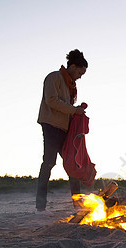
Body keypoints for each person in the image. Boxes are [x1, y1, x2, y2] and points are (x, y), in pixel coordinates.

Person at [36, 49, 88, 215]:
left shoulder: (71, 86)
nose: (80, 76)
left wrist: (77, 111)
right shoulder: (54, 77)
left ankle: (79, 207)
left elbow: (68, 108)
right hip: (51, 125)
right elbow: (51, 100)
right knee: (48, 163)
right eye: (80, 72)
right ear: (72, 66)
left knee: (73, 166)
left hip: (65, 130)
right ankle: (40, 208)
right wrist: (73, 110)